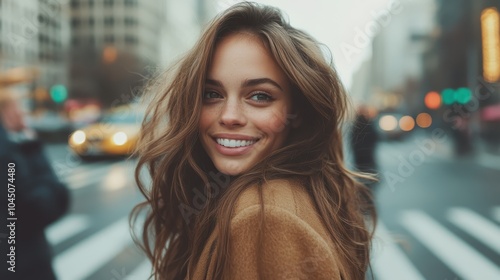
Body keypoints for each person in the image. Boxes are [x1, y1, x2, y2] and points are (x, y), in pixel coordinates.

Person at [131, 3, 376, 279]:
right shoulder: (290, 196)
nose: (229, 116)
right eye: (212, 94)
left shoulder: (265, 219)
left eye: (259, 96)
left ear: (298, 112)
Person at [0, 90, 69, 280]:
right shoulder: (9, 154)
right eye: (19, 109)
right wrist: (33, 148)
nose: (24, 114)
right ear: (9, 114)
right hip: (22, 263)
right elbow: (38, 205)